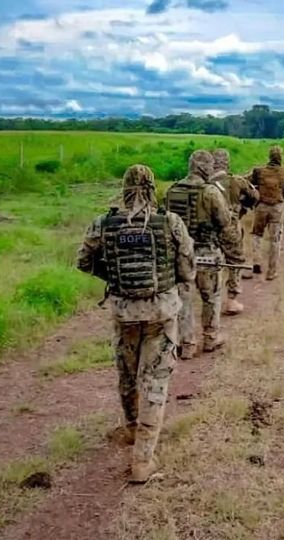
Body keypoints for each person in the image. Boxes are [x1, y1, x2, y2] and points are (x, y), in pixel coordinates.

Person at [76, 164, 195, 484]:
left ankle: (130, 429)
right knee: (155, 381)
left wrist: (113, 277)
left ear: (124, 188)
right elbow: (187, 270)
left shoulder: (103, 223)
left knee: (127, 375)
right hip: (161, 314)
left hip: (123, 312)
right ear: (153, 188)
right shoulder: (170, 222)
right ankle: (143, 459)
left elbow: (84, 261)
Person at [165, 150, 243, 358]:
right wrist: (234, 252)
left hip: (180, 254)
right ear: (204, 167)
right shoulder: (210, 192)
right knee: (211, 296)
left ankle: (187, 343)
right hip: (206, 251)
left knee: (183, 298)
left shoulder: (172, 190)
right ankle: (210, 338)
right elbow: (224, 223)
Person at [210, 148, 259, 316]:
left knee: (210, 262)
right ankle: (231, 299)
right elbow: (254, 196)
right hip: (230, 227)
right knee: (235, 261)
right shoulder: (236, 181)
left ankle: (212, 297)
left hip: (208, 229)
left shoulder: (204, 184)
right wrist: (243, 207)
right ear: (227, 163)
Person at [250, 145, 284, 281]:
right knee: (275, 240)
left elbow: (248, 184)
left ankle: (256, 261)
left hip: (261, 206)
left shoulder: (259, 171)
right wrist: (283, 195)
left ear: (269, 157)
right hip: (277, 208)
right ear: (280, 157)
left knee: (257, 235)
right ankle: (271, 271)